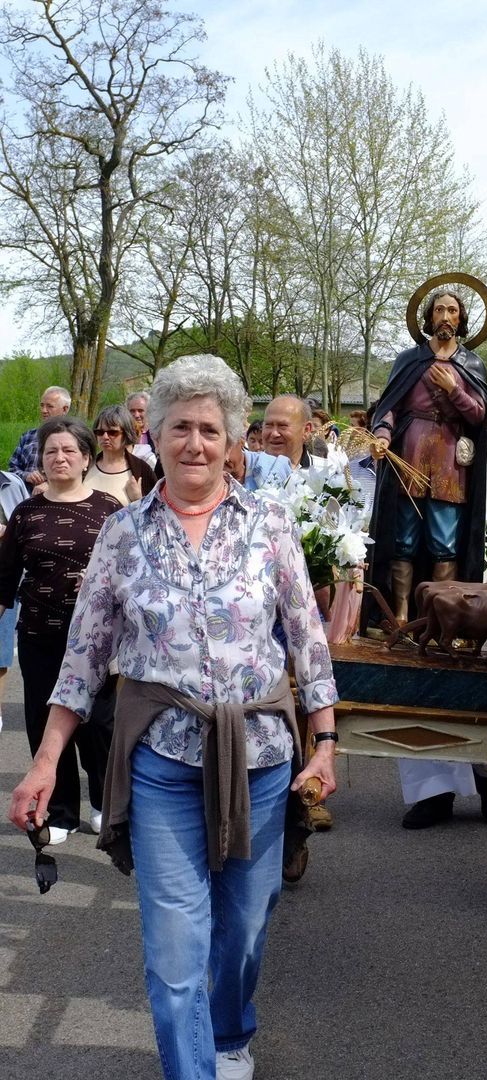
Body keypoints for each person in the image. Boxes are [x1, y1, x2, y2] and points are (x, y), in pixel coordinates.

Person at [8, 354, 339, 1080]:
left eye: (209, 429)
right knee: (175, 946)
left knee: (245, 927)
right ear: (153, 435)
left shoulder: (270, 525)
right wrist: (45, 760)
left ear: (233, 440)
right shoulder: (124, 534)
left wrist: (325, 743)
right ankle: (193, 1068)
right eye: (179, 427)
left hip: (260, 755)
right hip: (161, 761)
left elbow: (307, 637)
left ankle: (229, 1035)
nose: (195, 442)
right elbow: (84, 654)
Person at [368, 288, 487, 829]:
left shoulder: (471, 364)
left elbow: (480, 418)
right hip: (411, 448)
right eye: (438, 310)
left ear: (463, 319)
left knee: (444, 545)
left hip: (450, 457)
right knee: (402, 543)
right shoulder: (408, 361)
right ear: (426, 318)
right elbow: (390, 405)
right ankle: (398, 618)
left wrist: (457, 393)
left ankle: (444, 623)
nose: (445, 317)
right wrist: (379, 431)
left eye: (453, 311)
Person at [0, 416, 121, 842]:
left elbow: (131, 572)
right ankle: (61, 811)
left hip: (96, 641)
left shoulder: (109, 510)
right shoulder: (25, 512)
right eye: (51, 451)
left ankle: (106, 804)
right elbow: (6, 576)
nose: (60, 458)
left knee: (100, 724)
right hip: (39, 636)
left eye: (69, 450)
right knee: (42, 721)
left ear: (87, 457)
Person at [0, 469, 28, 732]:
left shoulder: (11, 484)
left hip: (4, 580)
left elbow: (25, 531)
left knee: (0, 656)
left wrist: (6, 532)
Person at [88, 405, 158, 506]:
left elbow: (156, 513)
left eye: (113, 432)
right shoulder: (85, 466)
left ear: (126, 434)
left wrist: (138, 500)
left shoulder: (141, 470)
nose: (105, 437)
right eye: (100, 432)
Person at [8, 385, 71, 489]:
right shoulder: (28, 436)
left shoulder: (74, 438)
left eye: (49, 406)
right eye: (42, 405)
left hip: (57, 500)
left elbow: (79, 473)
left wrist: (49, 484)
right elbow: (12, 468)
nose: (44, 410)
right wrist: (27, 476)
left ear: (64, 409)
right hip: (23, 499)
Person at [262, 395, 326, 471]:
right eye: (268, 425)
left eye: (282, 426)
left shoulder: (325, 473)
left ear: (306, 430)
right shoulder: (247, 471)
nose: (274, 433)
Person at [224, 435, 292, 492]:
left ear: (241, 442)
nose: (225, 458)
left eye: (227, 449)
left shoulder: (274, 466)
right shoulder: (216, 480)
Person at [126, 391, 158, 468]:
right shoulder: (123, 435)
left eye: (140, 410)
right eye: (132, 411)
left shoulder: (156, 434)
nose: (136, 415)